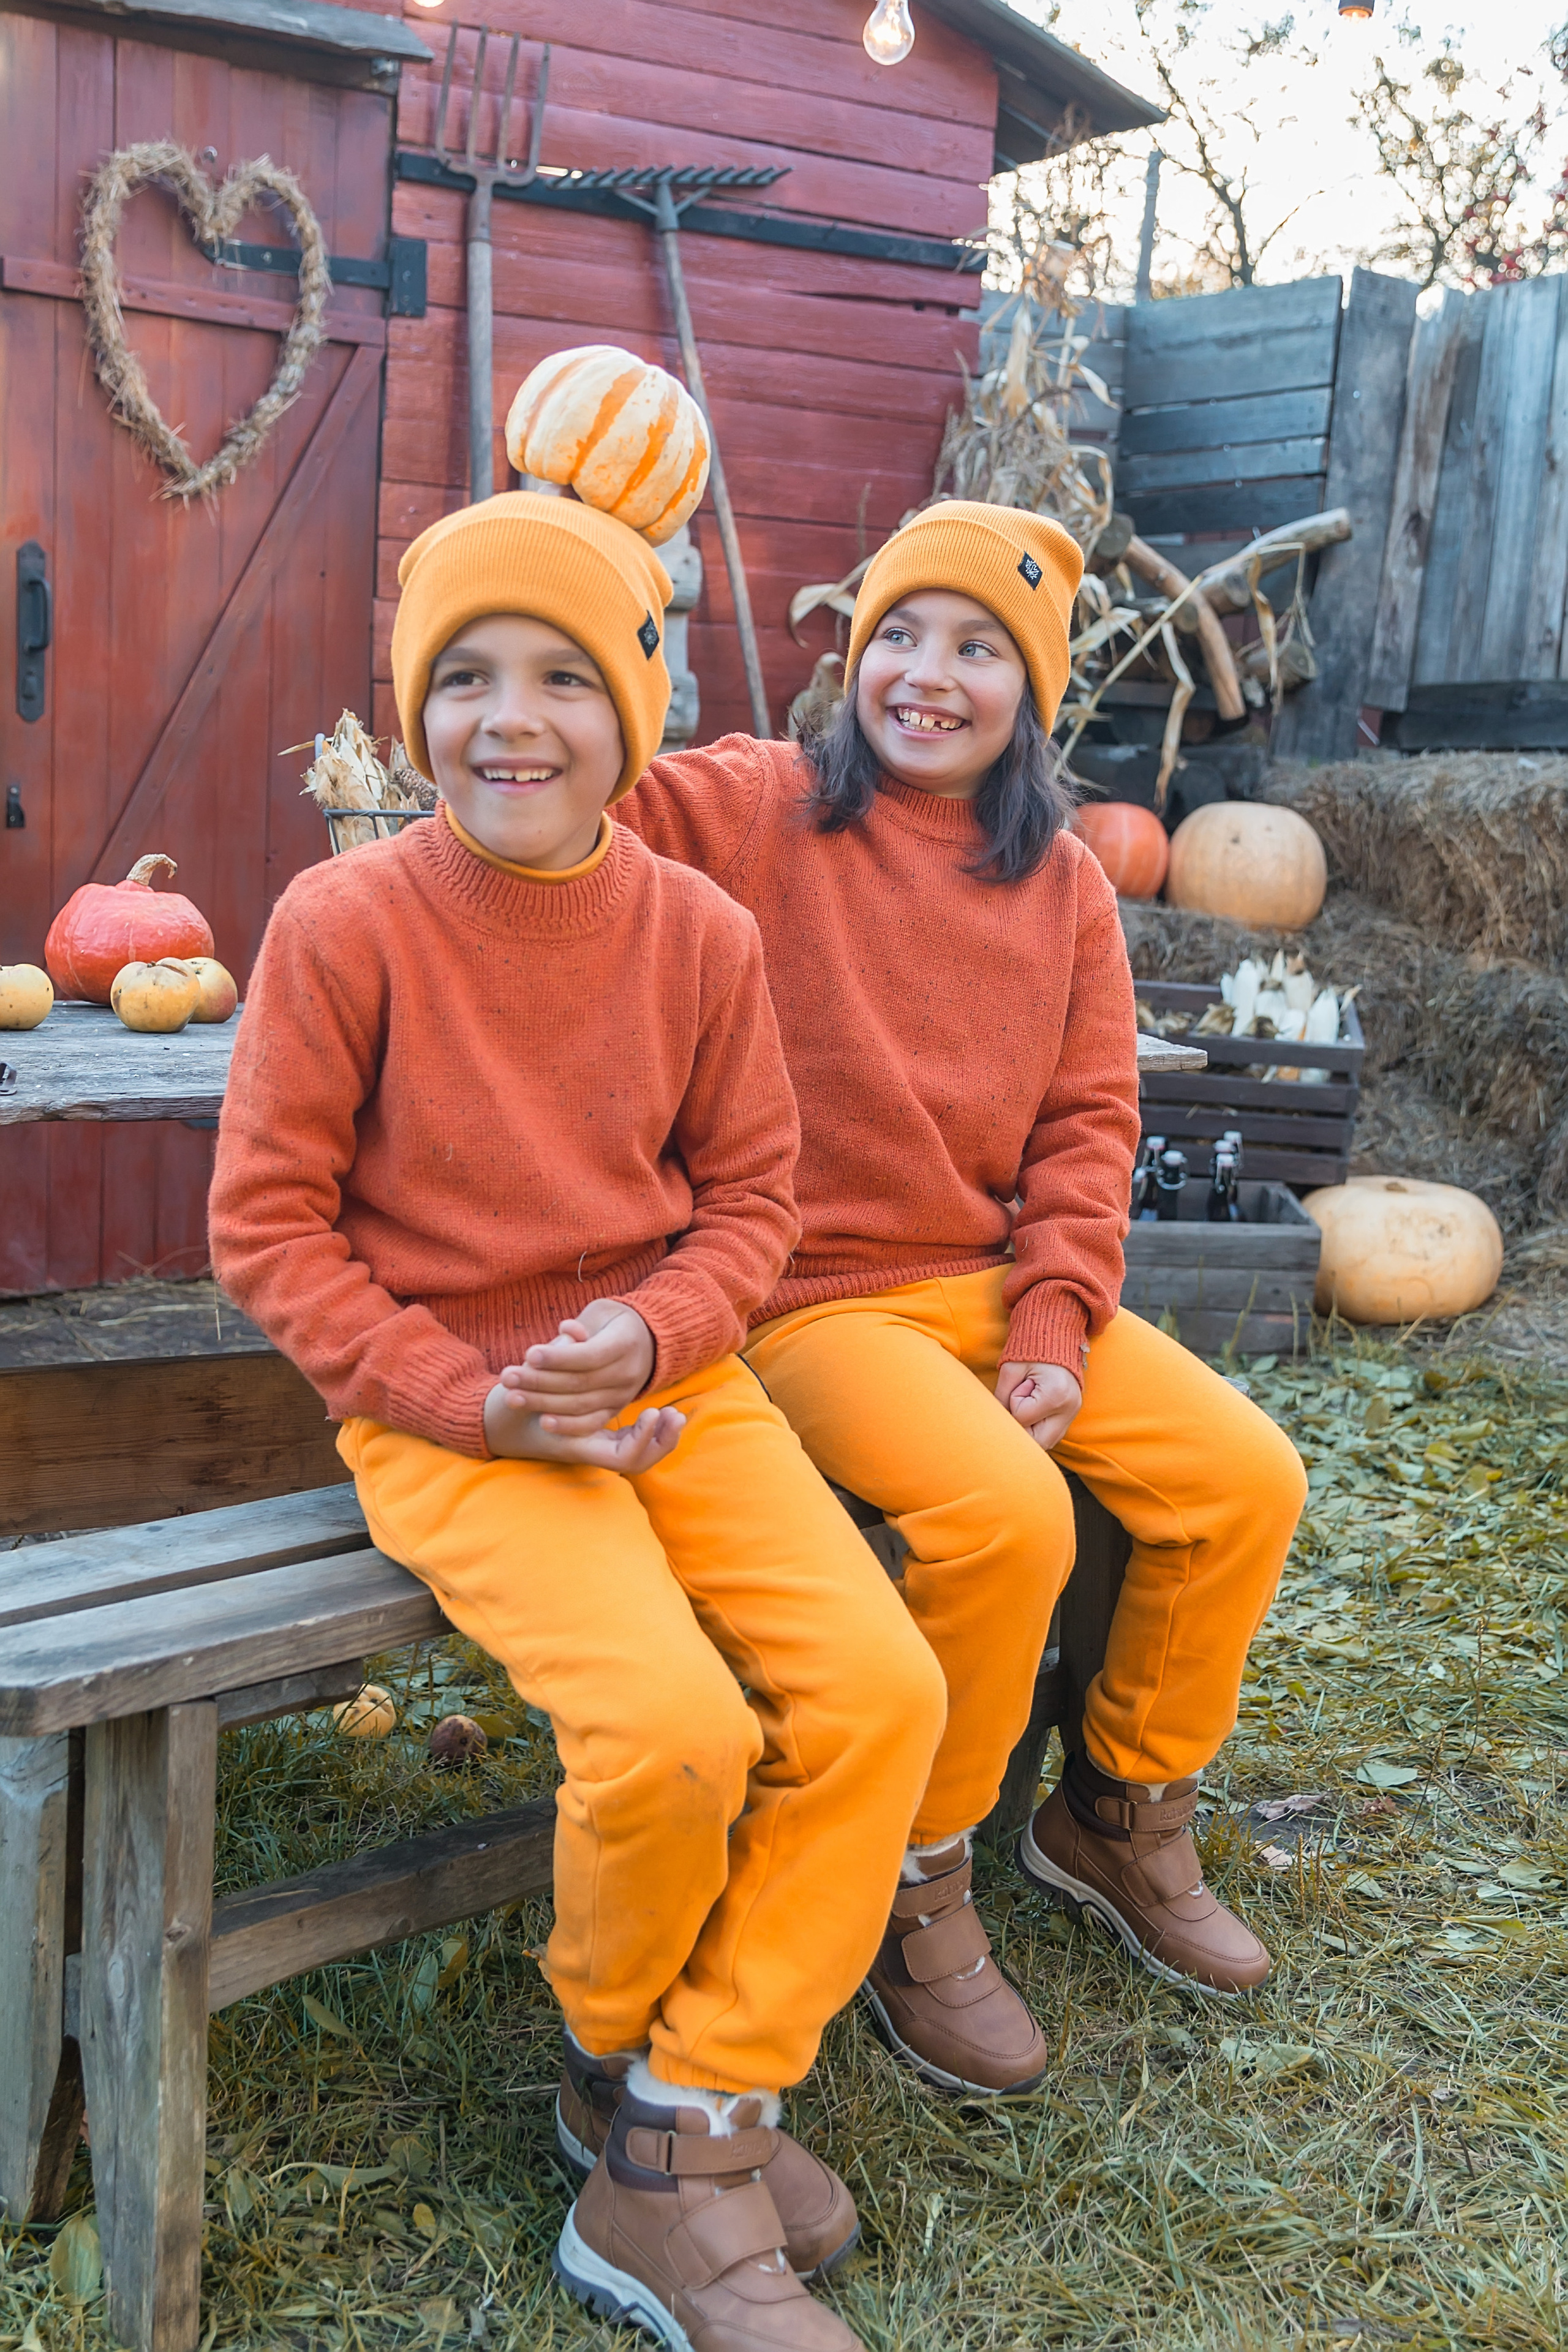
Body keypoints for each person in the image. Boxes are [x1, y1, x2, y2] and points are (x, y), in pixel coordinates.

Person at [208, 489, 949, 2352]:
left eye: (562, 674)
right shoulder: (343, 920)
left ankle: (692, 2108)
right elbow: (267, 1227)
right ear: (409, 710)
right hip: (447, 1408)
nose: (509, 717)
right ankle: (630, 2095)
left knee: (882, 1692)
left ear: (635, 709)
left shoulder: (696, 931)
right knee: (672, 1731)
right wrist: (472, 1397)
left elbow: (754, 1204)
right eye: (461, 677)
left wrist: (652, 1321)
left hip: (674, 1379)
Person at [616, 499, 1309, 2095]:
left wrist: (1061, 1319)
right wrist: (588, 595)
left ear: (1035, 690)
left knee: (1244, 1475)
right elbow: (590, 788)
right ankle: (917, 1876)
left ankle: (1117, 1807)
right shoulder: (761, 805)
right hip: (815, 1299)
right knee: (1007, 1514)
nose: (930, 675)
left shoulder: (1063, 883)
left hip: (996, 1287)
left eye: (979, 648)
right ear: (856, 653)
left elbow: (1087, 1125)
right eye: (903, 636)